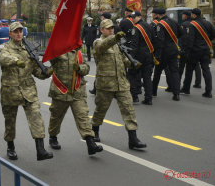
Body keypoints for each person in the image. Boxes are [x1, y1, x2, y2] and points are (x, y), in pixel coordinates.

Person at [0, 22, 53, 161]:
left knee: (36, 117)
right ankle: (10, 146)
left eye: (20, 31)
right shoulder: (5, 47)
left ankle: (40, 150)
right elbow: (3, 58)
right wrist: (16, 61)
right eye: (15, 31)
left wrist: (49, 71)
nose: (18, 34)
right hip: (10, 90)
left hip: (28, 89)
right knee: (10, 121)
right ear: (10, 34)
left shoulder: (29, 48)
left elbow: (37, 72)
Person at [91, 19, 146, 150]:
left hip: (121, 83)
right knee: (100, 110)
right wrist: (115, 38)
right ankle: (95, 132)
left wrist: (131, 62)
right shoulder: (98, 42)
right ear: (101, 30)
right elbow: (102, 46)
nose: (111, 30)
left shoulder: (117, 45)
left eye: (112, 28)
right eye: (108, 28)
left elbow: (122, 59)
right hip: (105, 84)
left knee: (129, 110)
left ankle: (133, 138)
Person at [48, 48, 103, 155]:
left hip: (77, 91)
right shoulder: (57, 51)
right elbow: (51, 58)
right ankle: (53, 136)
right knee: (56, 117)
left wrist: (79, 68)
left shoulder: (78, 52)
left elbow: (86, 68)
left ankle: (90, 143)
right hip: (61, 91)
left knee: (83, 116)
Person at [181, 8, 215, 98]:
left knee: (189, 70)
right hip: (205, 50)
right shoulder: (207, 23)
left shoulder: (192, 25)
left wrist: (187, 51)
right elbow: (214, 34)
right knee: (206, 70)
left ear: (194, 15)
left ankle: (186, 89)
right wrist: (207, 40)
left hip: (194, 51)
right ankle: (208, 92)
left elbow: (190, 40)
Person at [152, 8, 182, 101]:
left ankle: (153, 92)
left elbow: (160, 40)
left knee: (157, 72)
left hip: (164, 51)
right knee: (174, 72)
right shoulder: (174, 21)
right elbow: (181, 33)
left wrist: (157, 55)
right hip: (173, 49)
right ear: (165, 13)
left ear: (158, 15)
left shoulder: (160, 25)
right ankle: (176, 94)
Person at [130, 11, 155, 105]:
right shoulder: (149, 25)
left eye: (134, 17)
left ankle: (134, 96)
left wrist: (131, 58)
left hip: (139, 56)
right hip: (149, 54)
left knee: (133, 75)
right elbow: (153, 39)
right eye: (132, 17)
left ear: (139, 17)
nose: (132, 19)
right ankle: (148, 98)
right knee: (147, 77)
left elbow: (134, 44)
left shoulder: (136, 28)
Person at [179, 11, 201, 88]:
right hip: (194, 48)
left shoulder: (184, 24)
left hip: (186, 48)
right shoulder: (195, 24)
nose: (182, 16)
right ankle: (198, 82)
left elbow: (183, 38)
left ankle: (177, 84)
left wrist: (183, 48)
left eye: (183, 15)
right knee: (196, 66)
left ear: (186, 16)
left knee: (181, 67)